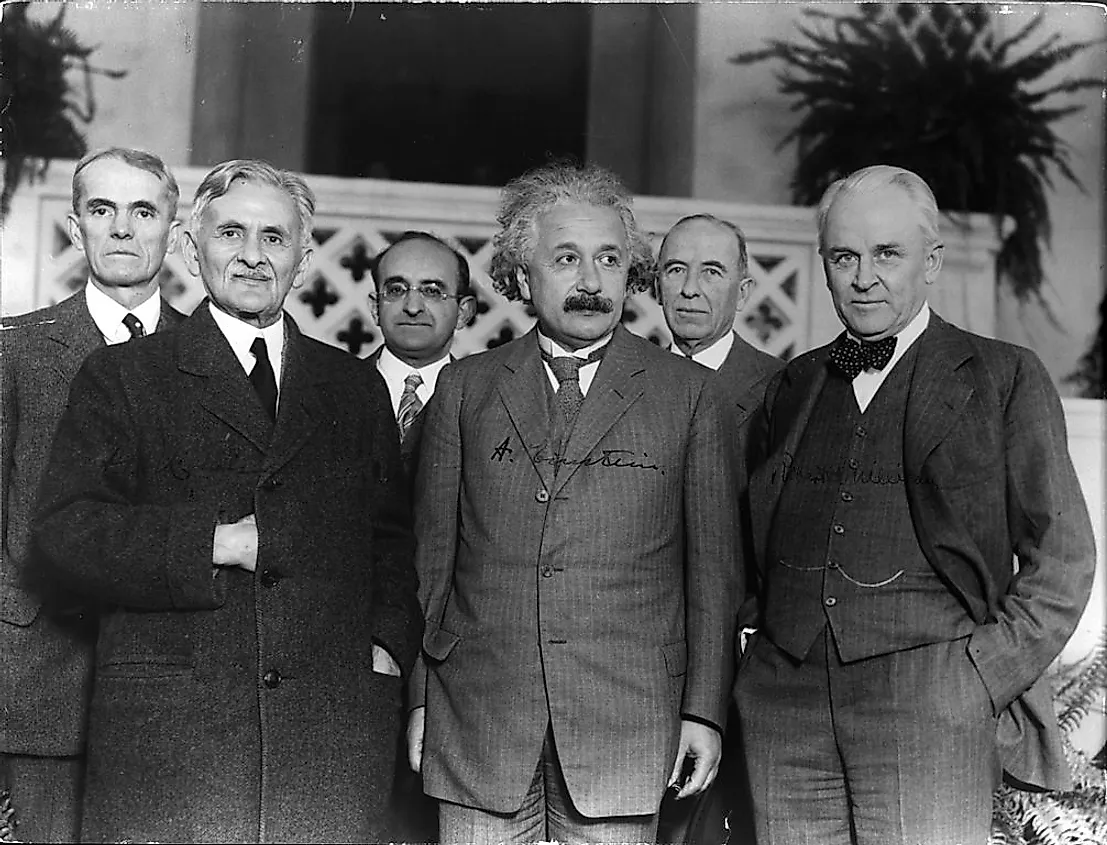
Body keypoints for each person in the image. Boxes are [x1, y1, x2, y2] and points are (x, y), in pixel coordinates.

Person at [31, 159, 421, 844]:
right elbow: (66, 532)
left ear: (303, 259)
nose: (251, 255)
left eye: (274, 238)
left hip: (325, 733)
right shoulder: (125, 375)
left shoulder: (352, 387)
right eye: (231, 232)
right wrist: (211, 542)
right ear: (191, 247)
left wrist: (384, 648)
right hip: (174, 734)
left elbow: (390, 540)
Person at [737, 164, 1096, 845]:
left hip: (931, 702)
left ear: (929, 262)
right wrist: (759, 665)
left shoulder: (1002, 375)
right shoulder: (793, 384)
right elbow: (751, 540)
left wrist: (978, 676)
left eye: (885, 254)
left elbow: (1064, 557)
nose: (862, 276)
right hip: (784, 707)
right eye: (843, 256)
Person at [407, 162, 742, 844]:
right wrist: (418, 698)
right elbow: (429, 566)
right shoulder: (465, 391)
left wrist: (703, 712)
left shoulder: (687, 397)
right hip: (477, 724)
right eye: (566, 259)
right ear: (524, 276)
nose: (590, 281)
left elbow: (713, 575)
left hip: (626, 729)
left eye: (609, 260)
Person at [0, 147, 186, 843]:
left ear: (173, 228)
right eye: (102, 210)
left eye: (143, 211)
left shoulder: (207, 355)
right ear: (76, 228)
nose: (122, 228)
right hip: (37, 674)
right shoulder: (17, 349)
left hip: (163, 678)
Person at [656, 214, 782, 845]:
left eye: (712, 271)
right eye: (675, 270)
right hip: (644, 655)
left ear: (744, 286)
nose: (690, 289)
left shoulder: (780, 390)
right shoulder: (632, 381)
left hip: (740, 657)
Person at [368, 231, 476, 482]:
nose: (413, 307)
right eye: (396, 290)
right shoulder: (333, 392)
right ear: (375, 309)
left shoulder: (485, 402)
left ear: (463, 312)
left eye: (432, 291)